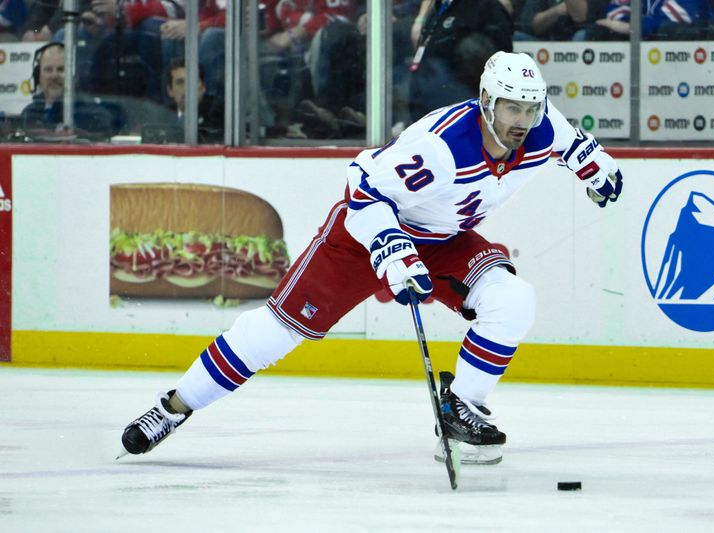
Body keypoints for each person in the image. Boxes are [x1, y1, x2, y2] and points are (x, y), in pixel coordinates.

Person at [119, 51, 623, 465]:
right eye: (512, 108)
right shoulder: (440, 146)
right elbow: (363, 190)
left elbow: (572, 143)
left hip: (445, 238)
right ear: (487, 101)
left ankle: (461, 409)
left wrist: (594, 166)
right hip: (363, 235)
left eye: (531, 109)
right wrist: (391, 248)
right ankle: (173, 408)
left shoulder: (541, 127)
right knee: (277, 332)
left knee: (513, 300)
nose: (522, 121)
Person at [408, 0, 514, 122]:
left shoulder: (487, 8)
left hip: (458, 113)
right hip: (427, 111)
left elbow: (497, 64)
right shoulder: (439, 7)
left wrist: (467, 103)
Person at [20, 42, 116, 139]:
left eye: (61, 69)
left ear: (73, 77)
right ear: (38, 77)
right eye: (48, 70)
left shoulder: (94, 117)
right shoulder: (29, 114)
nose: (54, 76)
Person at [164, 58, 224, 144]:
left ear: (203, 87)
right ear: (170, 90)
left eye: (192, 82)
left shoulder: (218, 113)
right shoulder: (162, 115)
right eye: (180, 82)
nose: (186, 88)